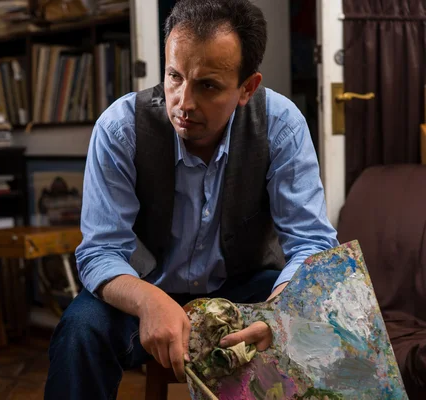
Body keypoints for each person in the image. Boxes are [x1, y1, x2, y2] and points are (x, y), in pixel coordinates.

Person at [44, 0, 339, 398]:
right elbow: (99, 251)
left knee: (309, 322)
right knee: (80, 330)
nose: (183, 102)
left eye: (208, 85)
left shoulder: (281, 125)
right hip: (144, 284)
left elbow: (312, 243)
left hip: (244, 286)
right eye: (174, 77)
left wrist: (280, 314)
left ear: (247, 89)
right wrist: (149, 300)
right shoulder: (119, 129)